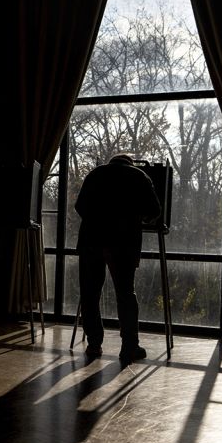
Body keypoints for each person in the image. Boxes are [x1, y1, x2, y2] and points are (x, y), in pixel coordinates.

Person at [74, 154, 162, 363]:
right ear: (129, 163)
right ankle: (129, 347)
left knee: (90, 293)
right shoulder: (140, 176)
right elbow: (154, 211)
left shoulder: (95, 174)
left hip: (91, 240)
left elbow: (79, 207)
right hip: (123, 243)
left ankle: (94, 344)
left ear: (112, 161)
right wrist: (138, 219)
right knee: (125, 293)